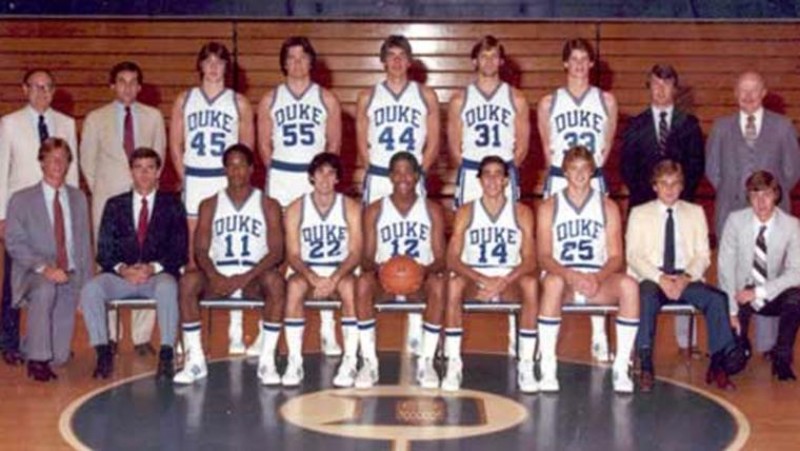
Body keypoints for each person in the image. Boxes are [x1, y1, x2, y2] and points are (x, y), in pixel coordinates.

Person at [257, 36, 343, 358]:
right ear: (283, 63)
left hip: (317, 178)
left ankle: (327, 328)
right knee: (280, 254)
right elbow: (264, 146)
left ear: (311, 62)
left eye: (302, 57)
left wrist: (321, 178)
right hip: (282, 177)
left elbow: (333, 146)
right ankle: (269, 327)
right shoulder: (270, 99)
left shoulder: (327, 99)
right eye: (291, 58)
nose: (296, 63)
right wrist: (282, 171)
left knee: (323, 246)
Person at [627, 160, 746, 391]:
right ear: (654, 186)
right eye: (664, 183)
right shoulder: (639, 213)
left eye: (675, 183)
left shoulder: (695, 212)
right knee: (646, 297)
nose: (669, 189)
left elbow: (703, 255)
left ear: (682, 186)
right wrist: (660, 278)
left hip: (686, 278)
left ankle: (719, 365)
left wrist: (685, 277)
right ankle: (646, 362)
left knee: (717, 299)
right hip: (652, 278)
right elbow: (634, 256)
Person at [356, 34, 440, 354]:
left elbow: (433, 142)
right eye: (391, 56)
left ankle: (417, 324)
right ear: (382, 61)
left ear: (410, 61)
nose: (396, 61)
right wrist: (381, 172)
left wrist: (415, 174)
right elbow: (362, 143)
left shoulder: (425, 95)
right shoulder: (368, 96)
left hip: (411, 176)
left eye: (402, 56)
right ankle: (367, 332)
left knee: (418, 243)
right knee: (374, 247)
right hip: (381, 174)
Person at [173, 144, 285, 385]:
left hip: (253, 278)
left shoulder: (268, 204)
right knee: (188, 282)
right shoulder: (209, 204)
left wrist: (244, 278)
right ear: (224, 170)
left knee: (276, 282)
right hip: (220, 276)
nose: (236, 171)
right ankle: (195, 360)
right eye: (231, 166)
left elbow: (277, 252)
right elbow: (200, 250)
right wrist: (214, 276)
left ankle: (267, 360)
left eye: (241, 165)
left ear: (251, 169)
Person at [170, 41, 255, 355]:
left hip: (227, 181)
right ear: (200, 66)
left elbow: (246, 151)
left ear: (226, 67)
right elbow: (176, 145)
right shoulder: (185, 100)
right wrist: (186, 176)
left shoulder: (239, 103)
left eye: (219, 62)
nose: (214, 68)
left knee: (233, 253)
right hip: (196, 179)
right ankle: (189, 334)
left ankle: (236, 329)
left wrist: (237, 184)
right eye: (208, 62)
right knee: (194, 258)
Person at [706, 71, 800, 353]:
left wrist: (767, 199)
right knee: (730, 273)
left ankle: (768, 344)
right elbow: (713, 171)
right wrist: (736, 197)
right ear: (735, 94)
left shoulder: (783, 126)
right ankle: (733, 338)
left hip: (771, 213)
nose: (748, 96)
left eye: (754, 90)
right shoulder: (721, 127)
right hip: (731, 212)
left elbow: (792, 171)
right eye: (742, 90)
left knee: (771, 272)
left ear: (764, 93)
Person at [537, 39, 618, 357]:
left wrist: (590, 176)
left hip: (592, 178)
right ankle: (547, 335)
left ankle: (599, 333)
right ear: (565, 63)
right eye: (574, 59)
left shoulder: (607, 101)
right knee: (554, 254)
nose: (580, 65)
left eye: (585, 59)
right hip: (561, 178)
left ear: (592, 64)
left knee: (598, 250)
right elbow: (548, 153)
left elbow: (606, 148)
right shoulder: (548, 103)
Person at [80, 61, 168, 356]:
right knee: (109, 264)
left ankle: (141, 337)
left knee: (146, 259)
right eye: (121, 81)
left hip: (144, 199)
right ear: (112, 85)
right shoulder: (95, 118)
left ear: (140, 87)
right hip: (108, 202)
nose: (127, 87)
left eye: (133, 82)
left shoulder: (153, 117)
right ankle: (111, 335)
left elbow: (159, 157)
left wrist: (145, 188)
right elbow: (88, 162)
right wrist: (107, 194)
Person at [537, 146, 640, 393]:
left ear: (593, 171)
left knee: (629, 286)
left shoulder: (608, 206)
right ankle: (548, 366)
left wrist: (597, 277)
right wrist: (570, 275)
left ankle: (621, 367)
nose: (579, 173)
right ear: (565, 172)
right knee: (552, 283)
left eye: (585, 168)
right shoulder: (549, 206)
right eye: (573, 168)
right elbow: (544, 257)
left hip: (597, 278)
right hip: (562, 277)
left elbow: (616, 256)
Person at [80, 148, 187, 380]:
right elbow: (104, 250)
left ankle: (166, 354)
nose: (144, 173)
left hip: (156, 276)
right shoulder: (114, 205)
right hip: (122, 276)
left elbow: (179, 250)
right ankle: (103, 352)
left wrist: (152, 268)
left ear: (158, 172)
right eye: (139, 168)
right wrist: (123, 269)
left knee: (168, 287)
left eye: (150, 168)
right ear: (131, 171)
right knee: (91, 289)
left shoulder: (172, 204)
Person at [620, 63, 705, 353]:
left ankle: (686, 342)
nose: (660, 90)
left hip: (680, 207)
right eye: (655, 84)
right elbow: (627, 168)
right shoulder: (636, 125)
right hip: (644, 210)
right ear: (649, 87)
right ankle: (638, 343)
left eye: (666, 85)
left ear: (675, 89)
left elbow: (696, 167)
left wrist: (674, 199)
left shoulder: (688, 124)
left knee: (682, 266)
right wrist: (653, 201)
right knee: (641, 274)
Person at [0, 69, 78, 365]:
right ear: (24, 89)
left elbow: (72, 169)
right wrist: (2, 215)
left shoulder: (66, 123)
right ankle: (8, 341)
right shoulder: (9, 123)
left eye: (47, 87)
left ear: (53, 91)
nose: (41, 92)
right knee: (15, 280)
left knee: (55, 277)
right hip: (22, 214)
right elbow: (1, 170)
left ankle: (49, 340)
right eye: (35, 86)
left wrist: (71, 212)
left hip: (55, 209)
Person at [442, 156, 538, 392]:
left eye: (498, 174)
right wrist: (482, 279)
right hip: (475, 279)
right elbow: (451, 258)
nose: (493, 179)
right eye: (487, 174)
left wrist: (503, 282)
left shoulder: (521, 212)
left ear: (506, 180)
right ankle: (453, 363)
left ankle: (526, 363)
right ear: (480, 180)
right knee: (453, 285)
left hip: (509, 279)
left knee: (531, 285)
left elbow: (530, 259)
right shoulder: (466, 211)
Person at [355, 151, 446, 389]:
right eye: (397, 172)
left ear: (417, 176)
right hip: (384, 281)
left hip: (419, 281)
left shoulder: (432, 210)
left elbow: (441, 258)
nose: (403, 177)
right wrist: (384, 271)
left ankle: (427, 362)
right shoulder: (375, 210)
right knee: (362, 283)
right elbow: (366, 258)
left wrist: (422, 272)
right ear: (390, 177)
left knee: (438, 286)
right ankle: (369, 362)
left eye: (408, 172)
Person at [5, 138, 92, 382]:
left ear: (69, 164)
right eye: (52, 158)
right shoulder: (21, 199)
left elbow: (84, 245)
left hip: (69, 276)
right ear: (41, 162)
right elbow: (14, 242)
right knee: (45, 289)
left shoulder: (78, 198)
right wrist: (44, 268)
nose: (57, 163)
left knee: (60, 357)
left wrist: (86, 287)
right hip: (34, 274)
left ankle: (31, 345)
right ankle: (37, 361)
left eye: (63, 159)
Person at [282, 153, 361, 387]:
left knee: (350, 288)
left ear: (337, 178)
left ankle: (350, 360)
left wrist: (334, 278)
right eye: (320, 173)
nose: (325, 179)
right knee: (294, 287)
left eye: (331, 173)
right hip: (308, 271)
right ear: (311, 177)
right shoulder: (296, 208)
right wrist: (313, 277)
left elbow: (355, 252)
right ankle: (294, 360)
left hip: (341, 270)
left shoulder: (351, 207)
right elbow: (293, 255)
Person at [718, 170, 800, 381]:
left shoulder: (791, 225)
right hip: (740, 294)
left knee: (796, 297)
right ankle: (740, 346)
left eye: (766, 194)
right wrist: (731, 311)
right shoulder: (735, 221)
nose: (761, 202)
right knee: (732, 364)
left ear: (776, 195)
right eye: (755, 195)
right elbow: (725, 268)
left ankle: (782, 358)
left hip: (769, 292)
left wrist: (759, 292)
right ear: (748, 197)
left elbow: (796, 272)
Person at [448, 35, 529, 208]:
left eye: (494, 56)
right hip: (472, 172)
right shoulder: (459, 100)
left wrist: (504, 172)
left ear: (501, 61)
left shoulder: (517, 98)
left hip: (503, 173)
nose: (489, 61)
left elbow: (522, 147)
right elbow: (454, 148)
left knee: (508, 222)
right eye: (484, 56)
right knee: (467, 222)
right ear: (474, 61)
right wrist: (474, 170)